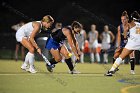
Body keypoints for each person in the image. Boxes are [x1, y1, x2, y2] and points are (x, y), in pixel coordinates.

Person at [105, 11, 140, 76]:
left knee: (120, 57)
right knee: (130, 56)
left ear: (131, 18)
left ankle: (111, 70)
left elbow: (125, 33)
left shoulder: (130, 24)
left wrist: (126, 35)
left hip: (132, 43)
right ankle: (132, 70)